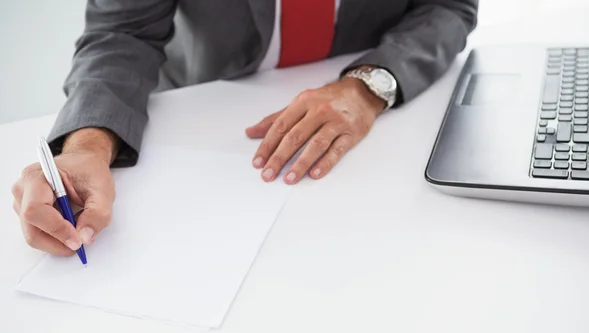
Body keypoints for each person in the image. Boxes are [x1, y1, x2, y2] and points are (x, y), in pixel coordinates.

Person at [11, 0, 478, 257]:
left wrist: (368, 84)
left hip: (385, 122)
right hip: (202, 116)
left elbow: (449, 6)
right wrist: (87, 145)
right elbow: (122, 33)